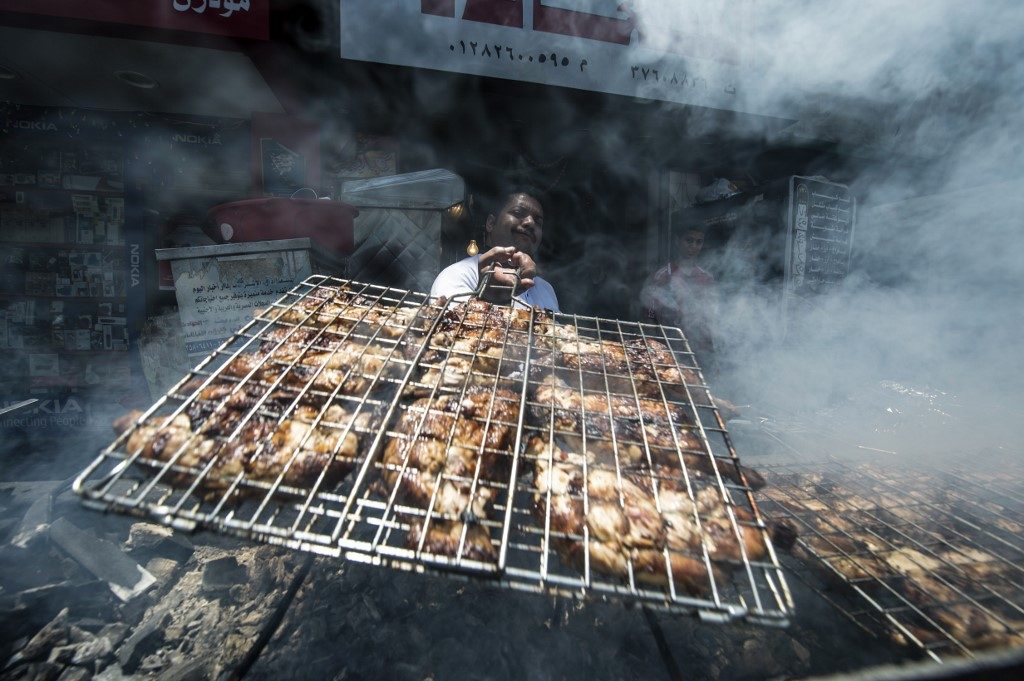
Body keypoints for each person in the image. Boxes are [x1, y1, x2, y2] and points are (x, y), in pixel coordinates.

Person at [430, 187, 559, 311]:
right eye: (518, 213)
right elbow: (449, 323)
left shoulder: (545, 289)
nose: (530, 222)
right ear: (491, 223)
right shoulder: (458, 274)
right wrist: (488, 297)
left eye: (538, 222)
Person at [641, 224, 717, 370]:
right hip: (670, 349)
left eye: (698, 242)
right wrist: (653, 346)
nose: (693, 246)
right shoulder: (661, 276)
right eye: (689, 240)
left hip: (701, 351)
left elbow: (711, 316)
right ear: (678, 241)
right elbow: (649, 314)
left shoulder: (706, 278)